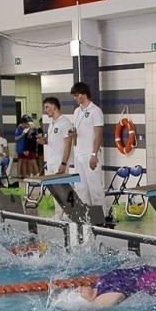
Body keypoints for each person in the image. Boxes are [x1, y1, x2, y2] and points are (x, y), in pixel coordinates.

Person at [74, 264, 156, 310]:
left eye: (79, 289)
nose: (79, 289)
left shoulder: (97, 286)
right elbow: (119, 296)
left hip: (147, 272)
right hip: (148, 278)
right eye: (79, 293)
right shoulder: (102, 299)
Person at [67, 81, 106, 214]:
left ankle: (100, 218)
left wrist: (94, 155)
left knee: (95, 188)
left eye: (76, 95)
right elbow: (78, 131)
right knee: (81, 188)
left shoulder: (96, 111)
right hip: (79, 154)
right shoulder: (77, 111)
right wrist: (73, 134)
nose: (75, 98)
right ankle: (86, 216)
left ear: (84, 94)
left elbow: (98, 135)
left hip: (90, 154)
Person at [43, 98, 71, 176]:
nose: (45, 110)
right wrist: (44, 141)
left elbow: (68, 145)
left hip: (59, 162)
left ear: (54, 107)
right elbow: (54, 140)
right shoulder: (51, 123)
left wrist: (63, 163)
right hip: (51, 162)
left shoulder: (65, 123)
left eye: (47, 107)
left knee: (61, 184)